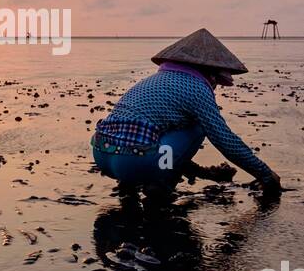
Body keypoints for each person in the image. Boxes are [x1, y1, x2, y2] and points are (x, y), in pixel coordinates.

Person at [91, 28, 281, 191]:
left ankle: (129, 184)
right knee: (198, 128)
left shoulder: (152, 81)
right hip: (135, 163)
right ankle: (158, 182)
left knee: (156, 133)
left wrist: (201, 172)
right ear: (212, 75)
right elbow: (225, 140)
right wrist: (265, 174)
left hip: (101, 155)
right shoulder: (197, 88)